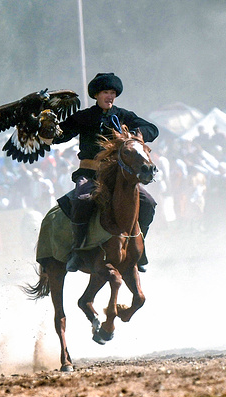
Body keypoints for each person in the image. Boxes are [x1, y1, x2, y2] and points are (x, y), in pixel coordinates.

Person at [55, 72, 159, 272]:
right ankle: (78, 251)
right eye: (105, 92)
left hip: (118, 177)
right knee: (82, 199)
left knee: (148, 204)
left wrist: (138, 135)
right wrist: (48, 130)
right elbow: (61, 134)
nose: (110, 96)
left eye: (112, 92)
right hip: (90, 173)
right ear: (96, 95)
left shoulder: (123, 116)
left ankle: (139, 250)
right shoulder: (84, 117)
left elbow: (152, 129)